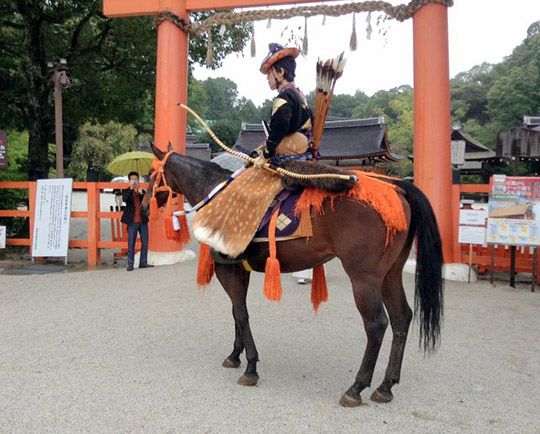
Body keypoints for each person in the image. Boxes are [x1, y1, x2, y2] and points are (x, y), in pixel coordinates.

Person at [192, 43, 314, 260]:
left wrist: (265, 155)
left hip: (287, 157)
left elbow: (278, 133)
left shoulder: (283, 98)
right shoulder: (300, 96)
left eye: (270, 73)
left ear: (280, 72)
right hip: (300, 152)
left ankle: (239, 244)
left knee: (244, 188)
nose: (268, 79)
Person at [121, 171, 153, 271]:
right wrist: (131, 190)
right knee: (131, 243)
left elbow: (147, 202)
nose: (134, 181)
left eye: (136, 179)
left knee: (145, 242)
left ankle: (143, 262)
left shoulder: (141, 191)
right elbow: (125, 200)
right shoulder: (126, 191)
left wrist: (141, 193)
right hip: (132, 221)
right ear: (129, 181)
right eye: (132, 179)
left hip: (142, 220)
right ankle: (130, 264)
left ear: (138, 180)